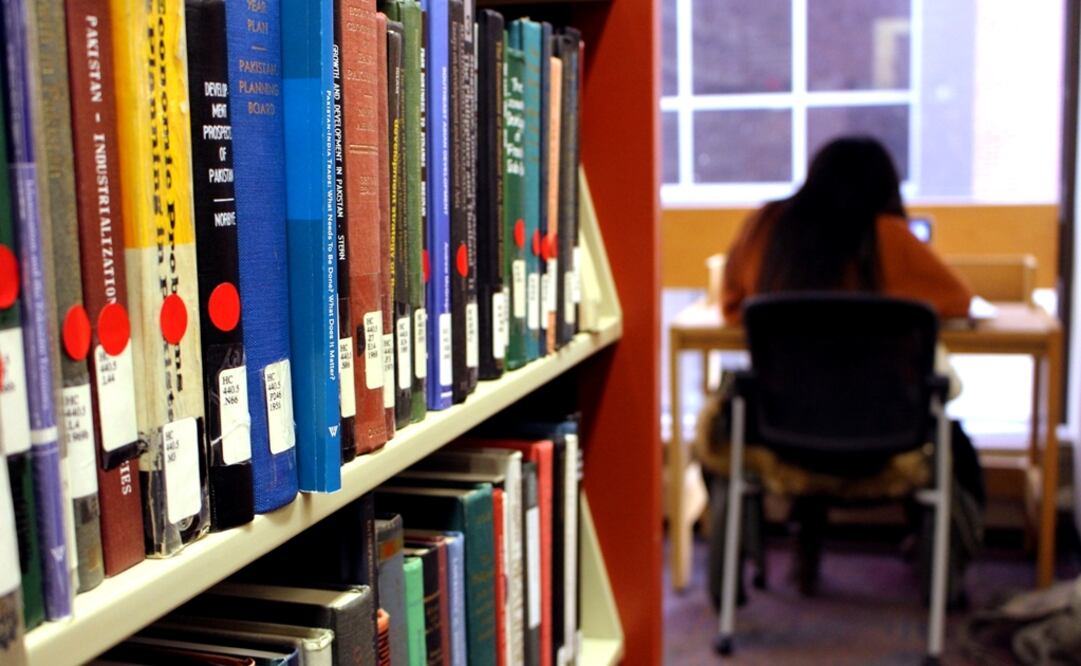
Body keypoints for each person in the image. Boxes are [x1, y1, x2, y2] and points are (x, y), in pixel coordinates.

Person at [712, 135, 984, 603]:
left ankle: (744, 574)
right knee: (957, 446)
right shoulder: (888, 238)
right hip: (885, 437)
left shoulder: (767, 226)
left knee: (721, 430)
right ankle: (942, 575)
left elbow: (735, 305)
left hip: (782, 435)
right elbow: (957, 300)